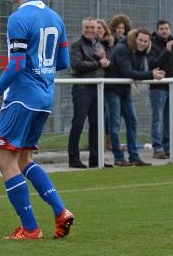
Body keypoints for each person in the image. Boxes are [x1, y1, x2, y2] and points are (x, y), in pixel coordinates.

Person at [0, 0, 73, 240]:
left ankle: (30, 228)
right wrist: (41, 69)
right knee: (25, 159)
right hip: (44, 98)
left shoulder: (19, 18)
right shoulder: (55, 17)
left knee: (5, 161)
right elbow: (63, 61)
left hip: (21, 98)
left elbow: (15, 65)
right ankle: (60, 211)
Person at [105, 28, 165, 166]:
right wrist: (151, 74)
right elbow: (129, 72)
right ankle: (119, 158)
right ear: (135, 38)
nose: (142, 43)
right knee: (115, 125)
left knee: (132, 121)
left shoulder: (140, 52)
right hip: (112, 90)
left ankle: (134, 156)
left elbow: (137, 72)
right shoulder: (122, 49)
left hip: (125, 91)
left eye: (145, 41)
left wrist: (152, 73)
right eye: (140, 40)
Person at [67, 17, 112, 168]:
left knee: (97, 125)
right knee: (78, 123)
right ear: (82, 28)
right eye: (87, 27)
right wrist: (99, 62)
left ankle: (96, 159)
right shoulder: (76, 45)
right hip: (82, 88)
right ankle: (73, 159)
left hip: (97, 88)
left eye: (92, 28)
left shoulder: (99, 44)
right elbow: (77, 65)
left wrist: (104, 60)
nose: (90, 30)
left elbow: (107, 63)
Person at [147, 20, 173, 159]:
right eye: (161, 28)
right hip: (158, 88)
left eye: (167, 28)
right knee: (158, 118)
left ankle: (168, 147)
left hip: (171, 86)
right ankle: (157, 148)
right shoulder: (152, 45)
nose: (164, 31)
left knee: (170, 118)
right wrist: (167, 51)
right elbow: (154, 64)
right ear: (157, 30)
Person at [96, 18, 115, 150]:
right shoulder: (92, 45)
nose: (97, 30)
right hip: (96, 83)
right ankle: (99, 144)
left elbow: (114, 63)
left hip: (109, 84)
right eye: (95, 28)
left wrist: (107, 62)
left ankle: (109, 142)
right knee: (98, 116)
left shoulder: (111, 45)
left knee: (109, 116)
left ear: (105, 30)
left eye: (100, 28)